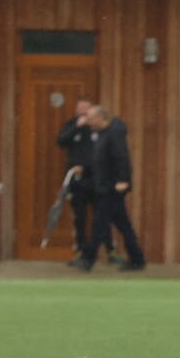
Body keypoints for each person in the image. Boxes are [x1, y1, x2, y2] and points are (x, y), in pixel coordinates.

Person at [70, 106, 146, 272]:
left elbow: (122, 158)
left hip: (111, 188)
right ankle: (137, 259)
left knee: (99, 224)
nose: (87, 122)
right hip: (104, 186)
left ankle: (88, 260)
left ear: (100, 118)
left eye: (90, 119)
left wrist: (123, 180)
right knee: (123, 225)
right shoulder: (101, 134)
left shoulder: (114, 134)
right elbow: (99, 159)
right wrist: (85, 168)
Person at [55, 97, 122, 265]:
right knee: (80, 217)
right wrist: (76, 127)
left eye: (87, 108)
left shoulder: (98, 129)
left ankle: (110, 251)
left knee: (102, 215)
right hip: (77, 181)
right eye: (81, 108)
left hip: (97, 179)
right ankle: (81, 252)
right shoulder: (72, 125)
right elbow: (61, 141)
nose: (83, 111)